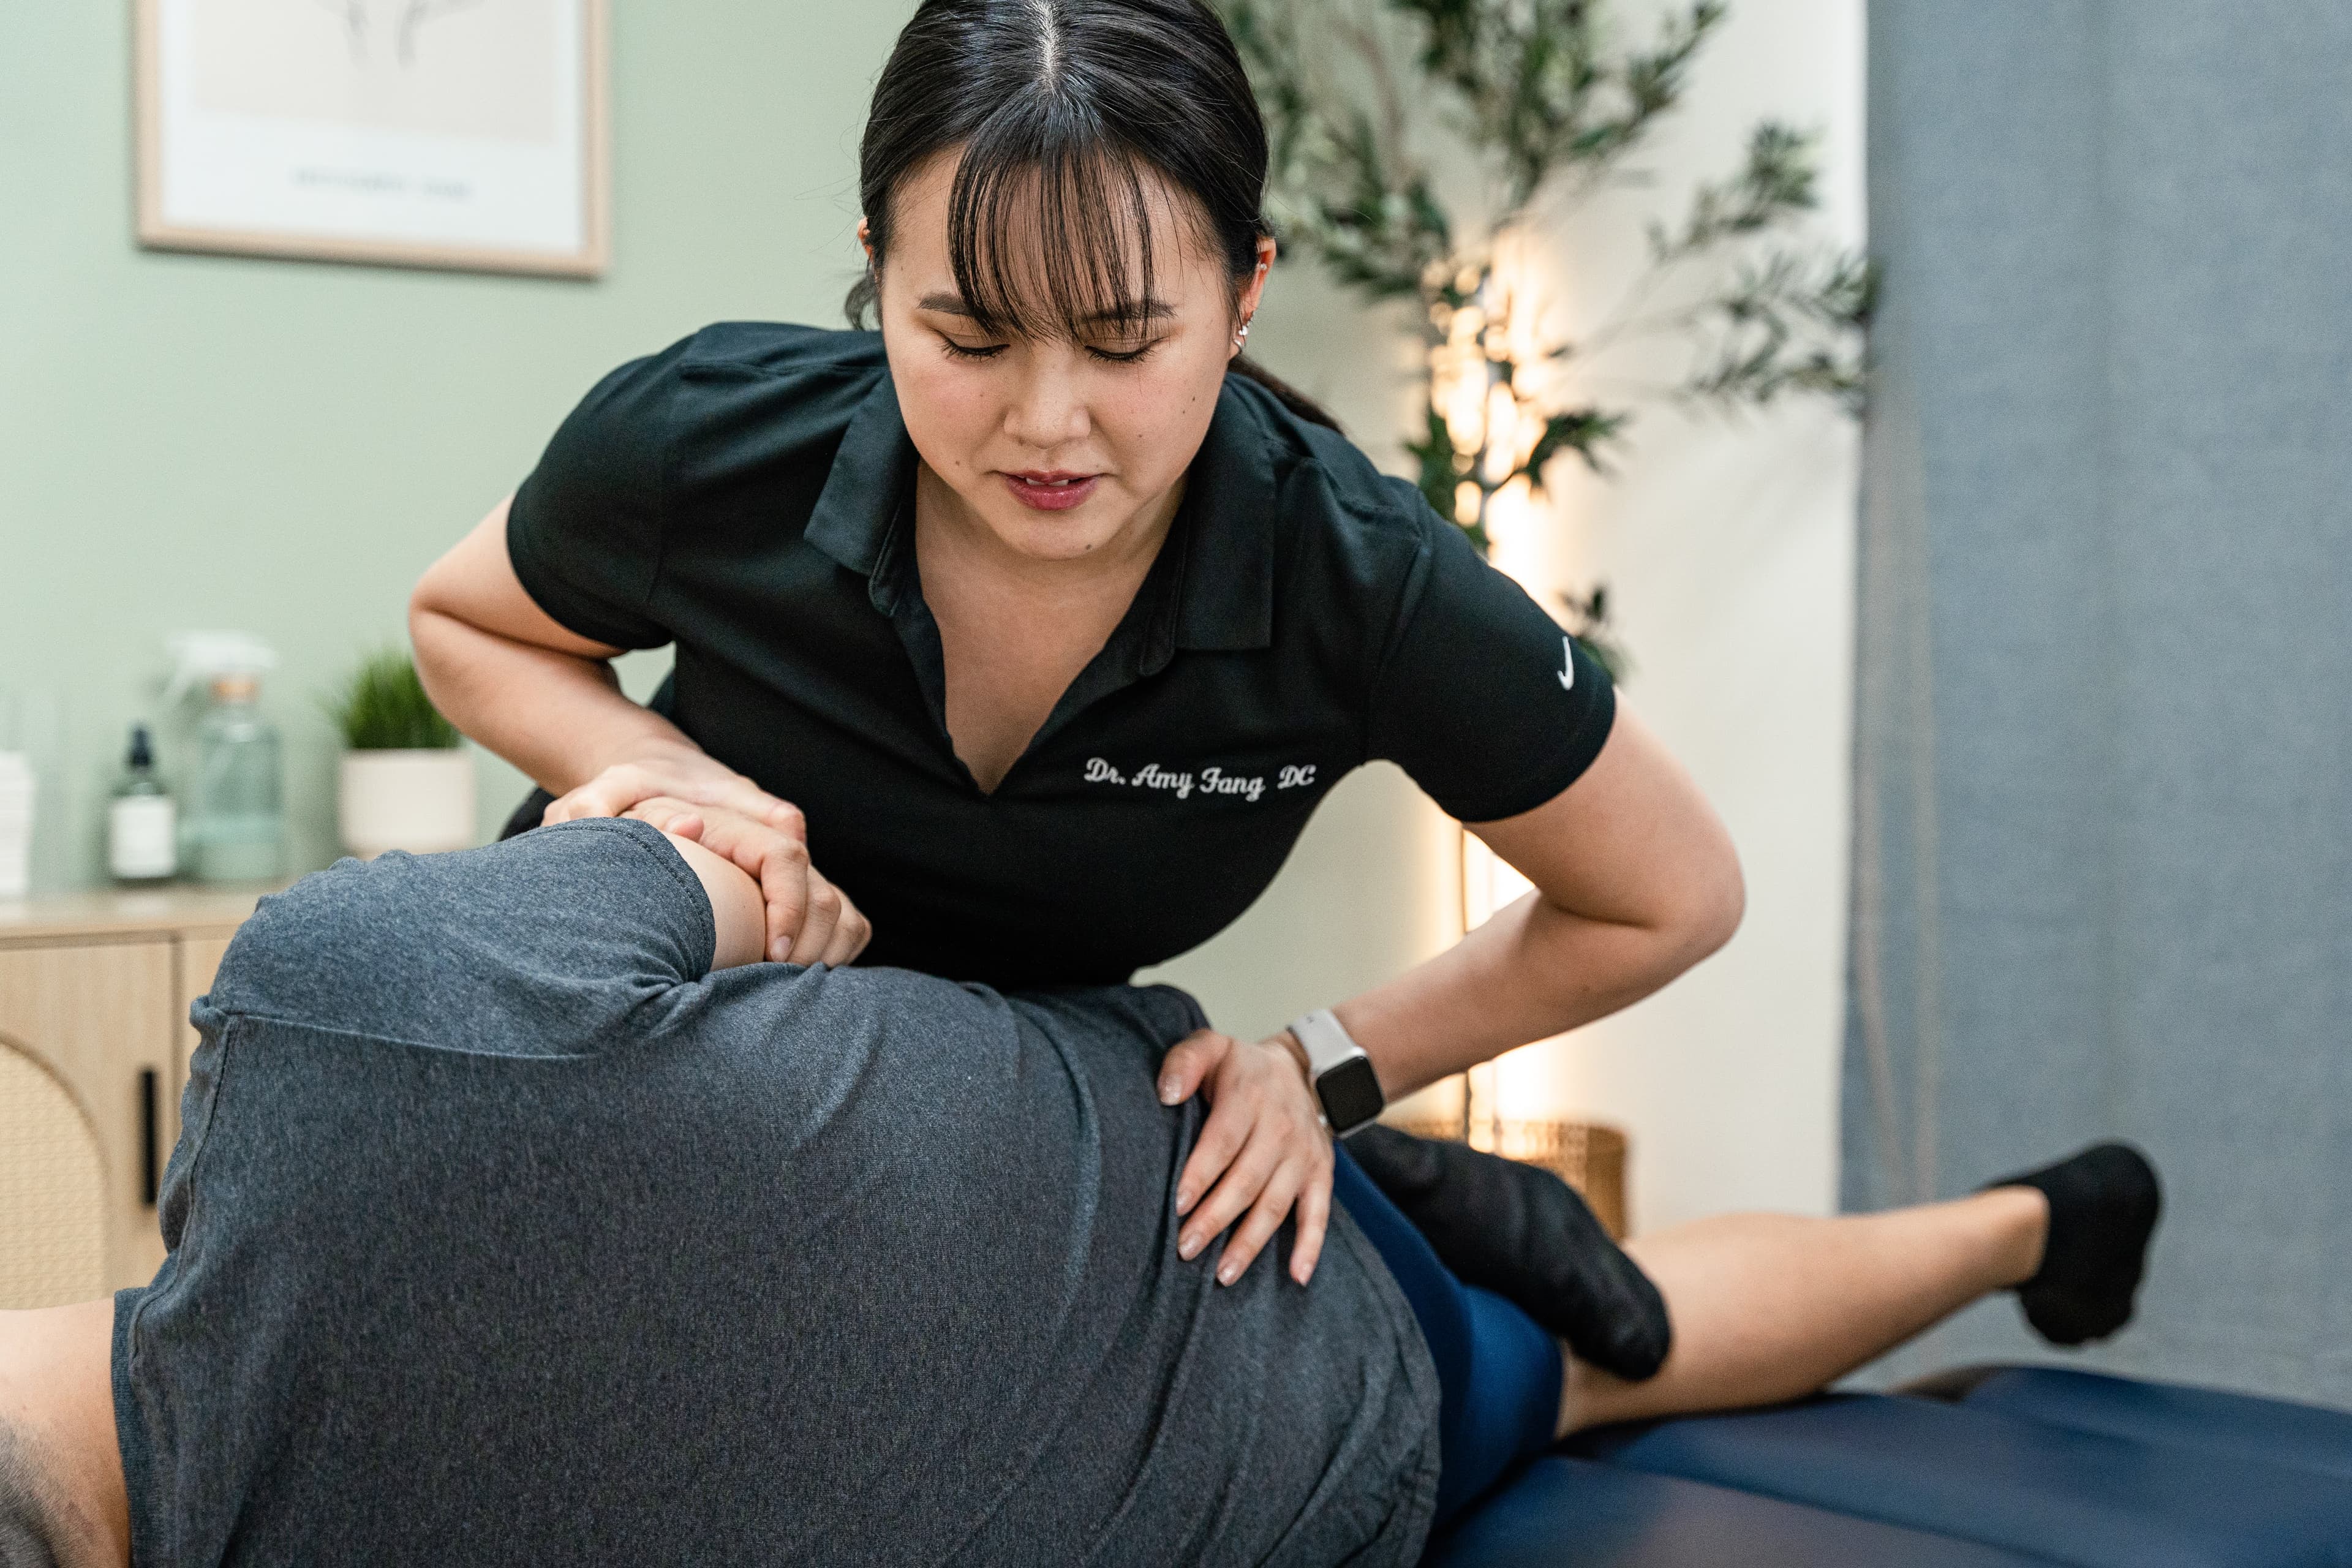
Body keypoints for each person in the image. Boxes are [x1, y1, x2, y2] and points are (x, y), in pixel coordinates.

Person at [406, 0, 1741, 1368]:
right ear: (876, 269)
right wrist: (694, 786)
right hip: (663, 1039)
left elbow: (1670, 893)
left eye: (1121, 343)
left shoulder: (1354, 576)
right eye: (970, 337)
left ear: (1243, 295)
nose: (1047, 421)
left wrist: (1327, 1060)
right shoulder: (707, 438)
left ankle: (1419, 1182)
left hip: (1018, 1105)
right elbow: (464, 622)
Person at [0, 815, 2158, 1567]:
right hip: (1240, 1214)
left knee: (1607, 1354)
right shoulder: (330, 1019)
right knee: (1627, 1346)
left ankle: (2037, 1225)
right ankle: (2036, 1223)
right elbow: (777, 892)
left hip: (1261, 1317)